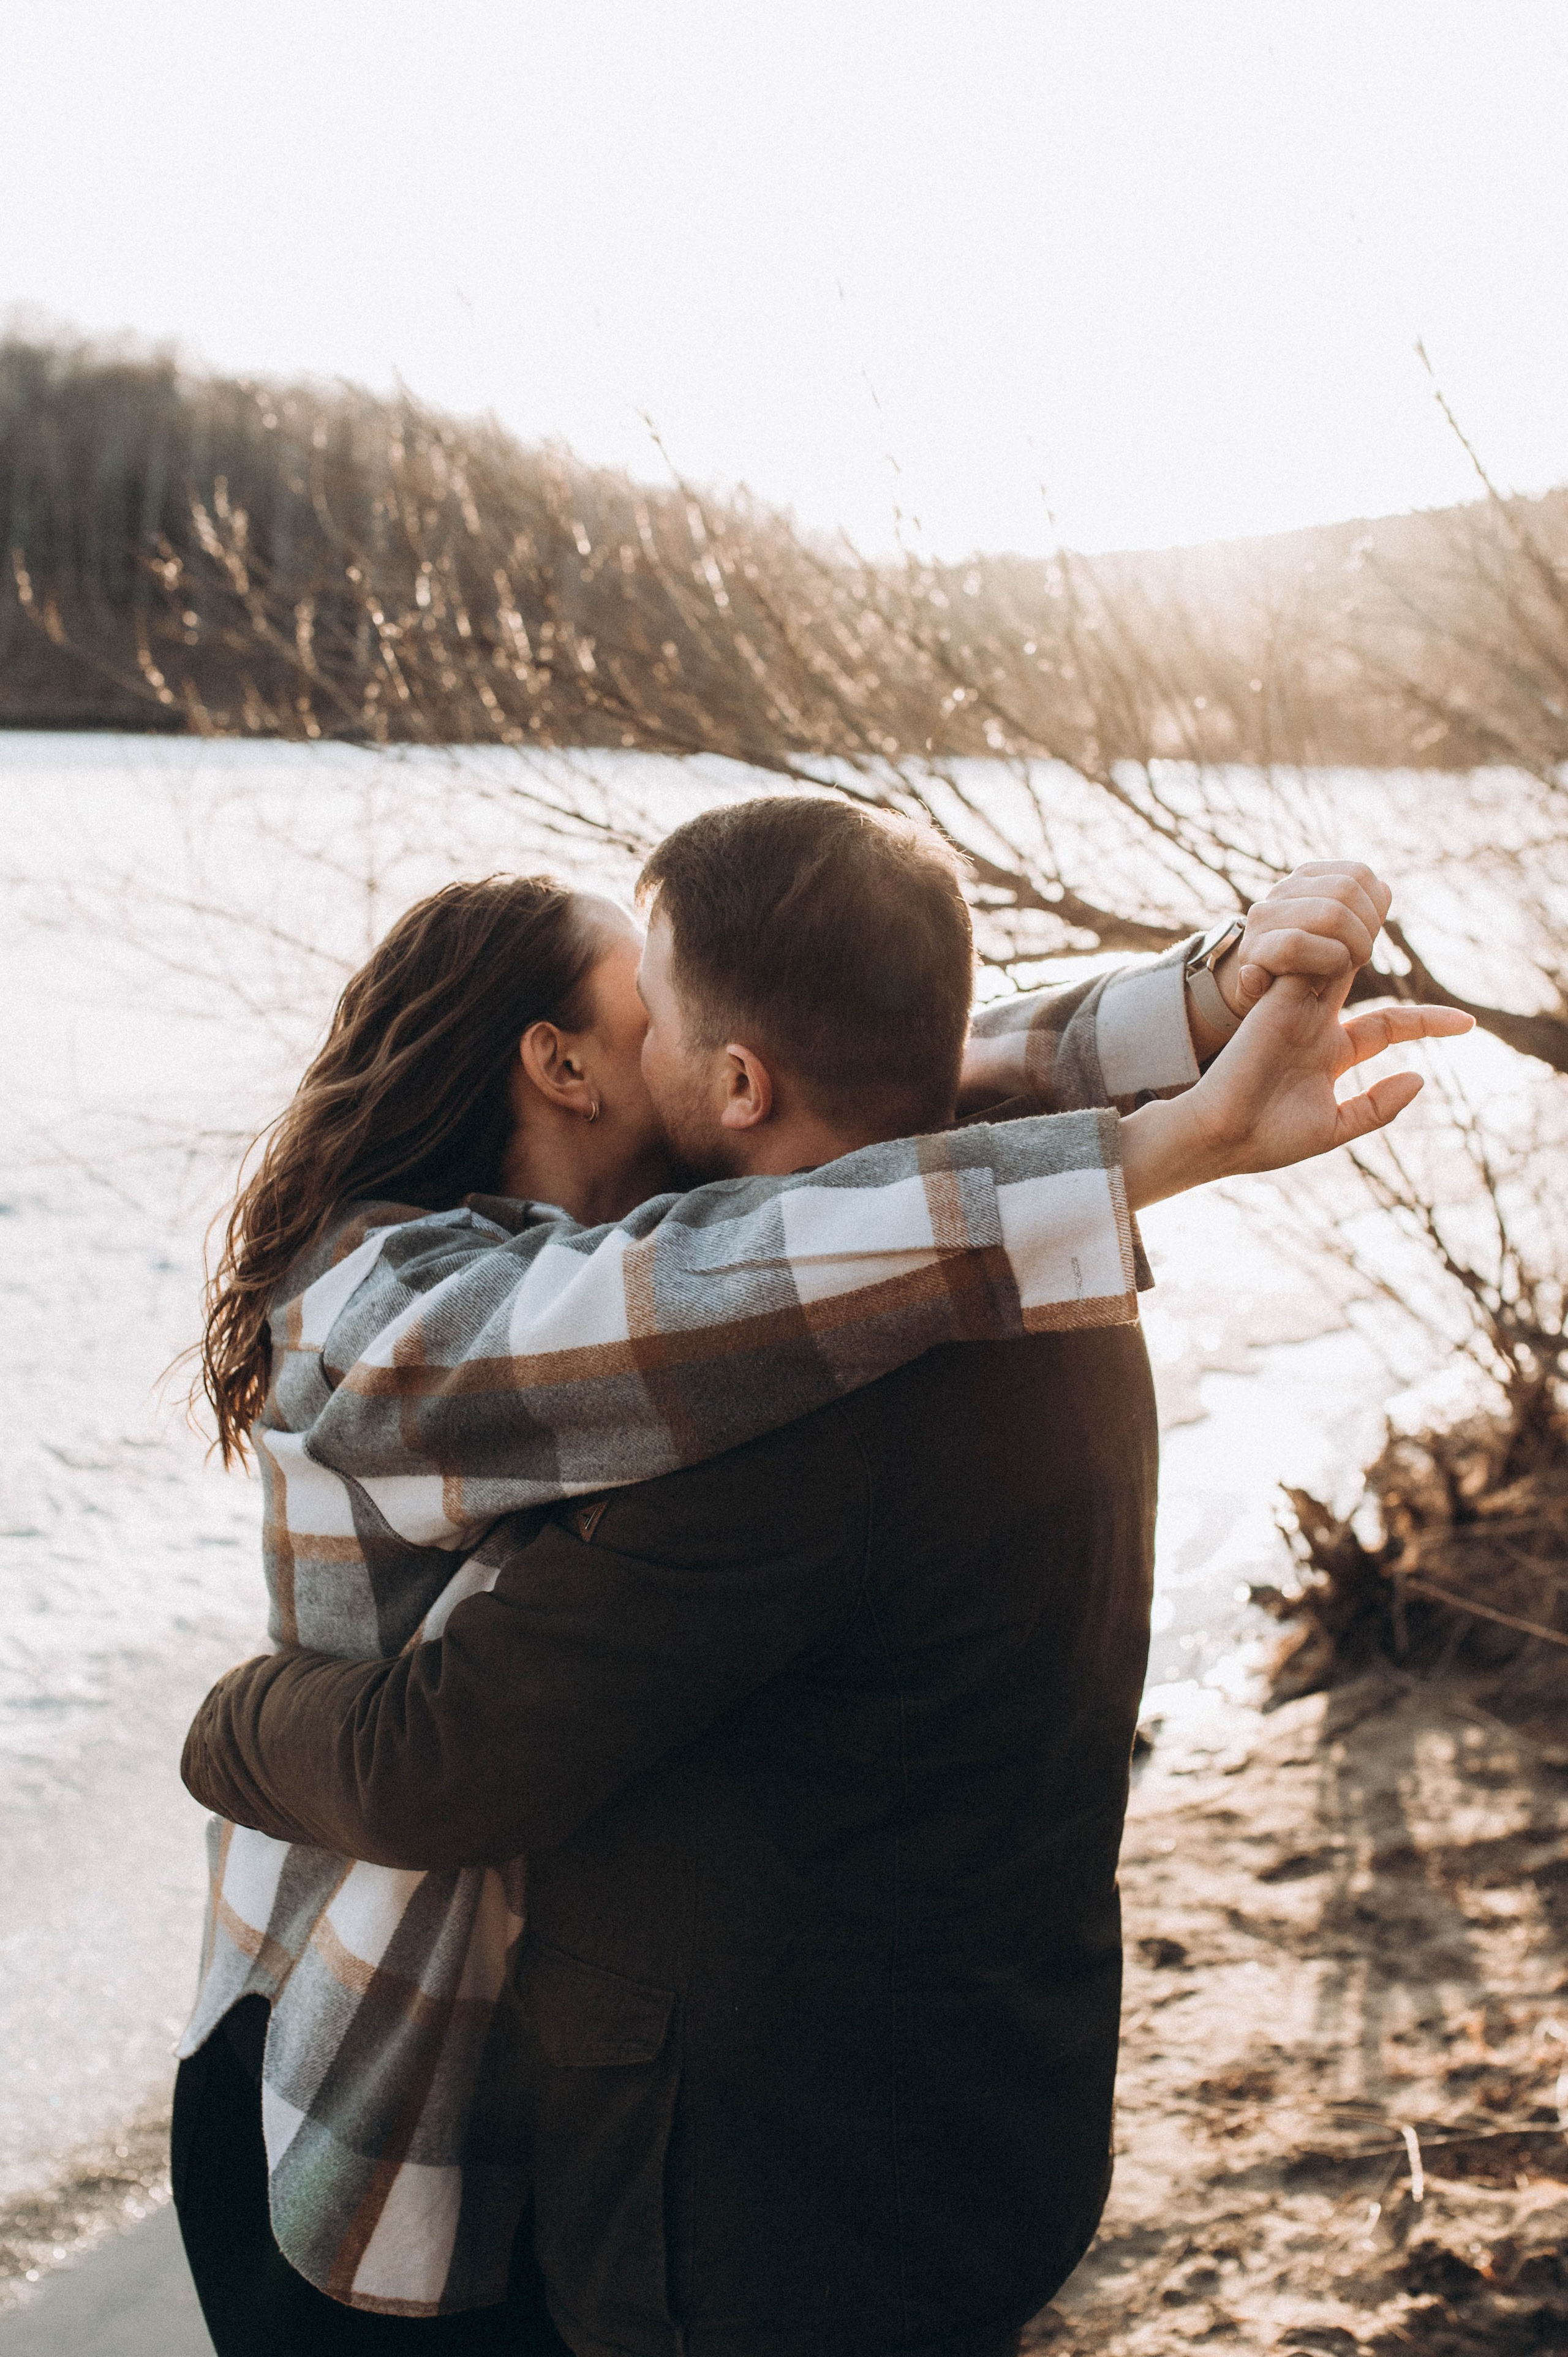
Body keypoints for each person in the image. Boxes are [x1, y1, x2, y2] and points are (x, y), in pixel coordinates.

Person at [180, 801, 1469, 2356]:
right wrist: (1165, 1098)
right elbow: (809, 1162)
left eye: (673, 1010)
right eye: (650, 993)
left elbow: (442, 1762)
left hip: (695, 2200)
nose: (680, 1023)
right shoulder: (414, 1308)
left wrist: (230, 1723)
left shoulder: (787, 1344)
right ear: (562, 1065)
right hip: (396, 2082)